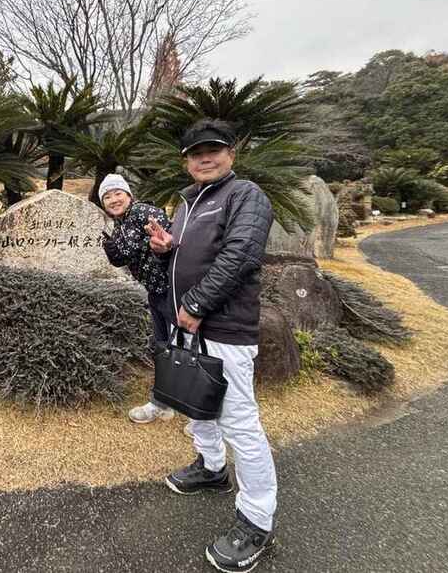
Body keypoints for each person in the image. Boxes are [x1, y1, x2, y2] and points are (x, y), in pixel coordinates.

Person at [147, 119, 277, 573]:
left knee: (239, 420)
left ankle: (257, 519)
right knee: (193, 402)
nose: (205, 157)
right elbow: (193, 252)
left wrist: (198, 304)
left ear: (231, 155)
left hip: (224, 328)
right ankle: (211, 467)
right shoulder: (187, 202)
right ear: (185, 161)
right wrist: (168, 248)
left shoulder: (246, 196)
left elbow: (240, 255)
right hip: (189, 323)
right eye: (196, 152)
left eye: (213, 150)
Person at [98, 173, 175, 424]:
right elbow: (123, 254)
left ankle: (200, 417)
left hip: (174, 289)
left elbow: (127, 251)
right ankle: (162, 403)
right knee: (162, 346)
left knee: (183, 349)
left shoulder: (143, 212)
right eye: (107, 197)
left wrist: (116, 251)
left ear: (129, 195)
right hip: (156, 291)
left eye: (118, 193)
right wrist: (116, 251)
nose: (113, 199)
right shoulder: (121, 222)